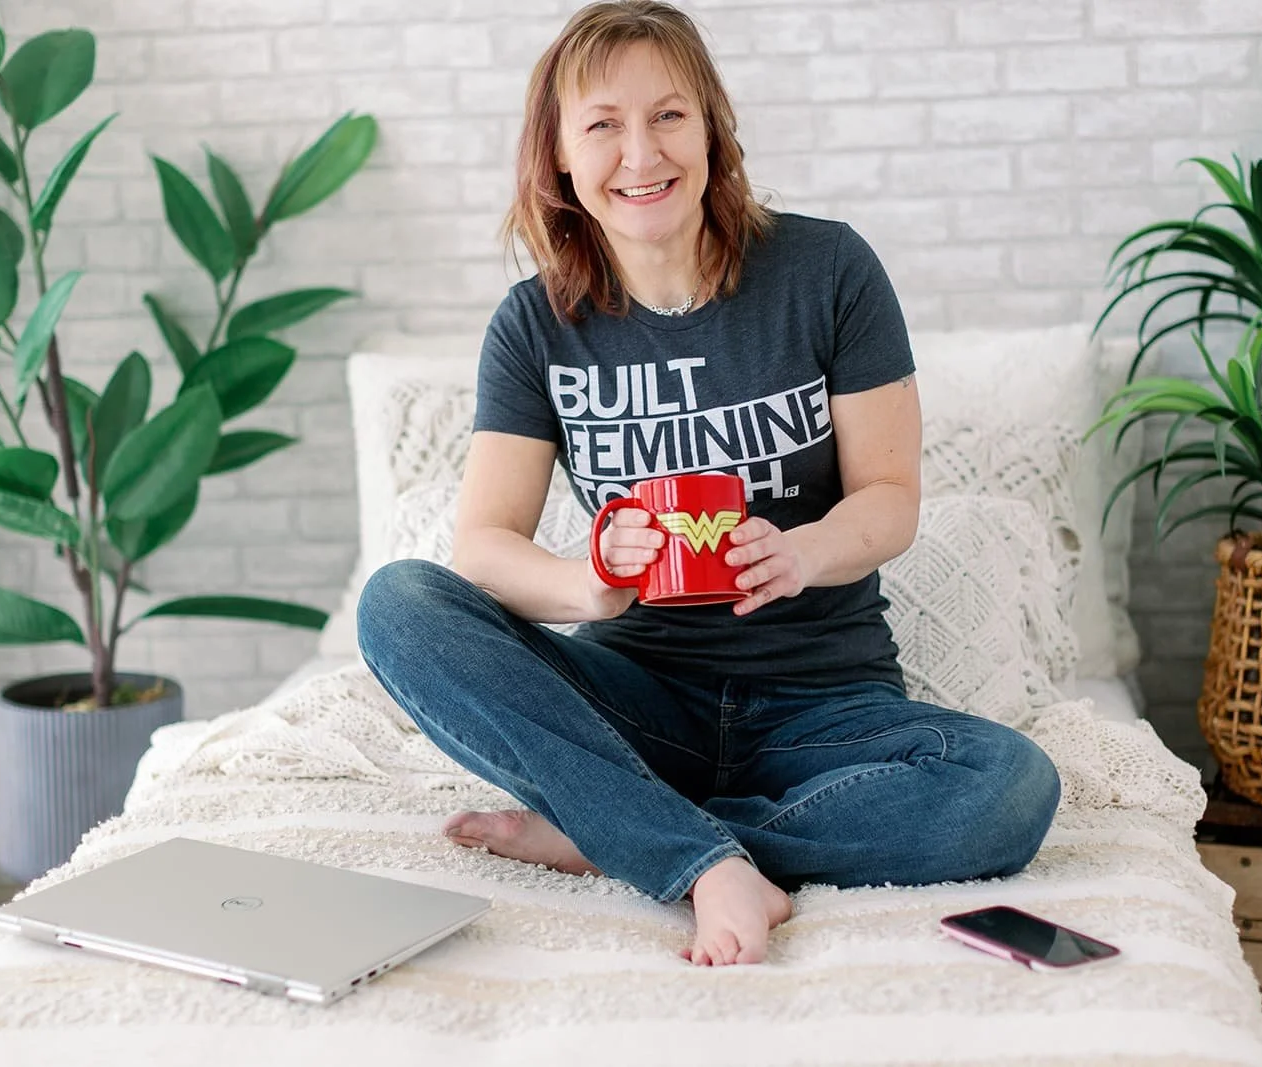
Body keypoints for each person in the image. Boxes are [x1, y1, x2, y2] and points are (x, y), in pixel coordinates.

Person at [357, 0, 1061, 968]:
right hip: (638, 696)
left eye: (668, 116)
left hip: (824, 702)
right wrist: (592, 580)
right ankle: (692, 853)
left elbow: (891, 493)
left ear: (710, 127)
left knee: (1007, 787)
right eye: (602, 124)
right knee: (399, 600)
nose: (639, 153)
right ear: (559, 154)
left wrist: (802, 550)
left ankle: (622, 830)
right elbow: (483, 546)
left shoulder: (828, 271)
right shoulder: (534, 326)